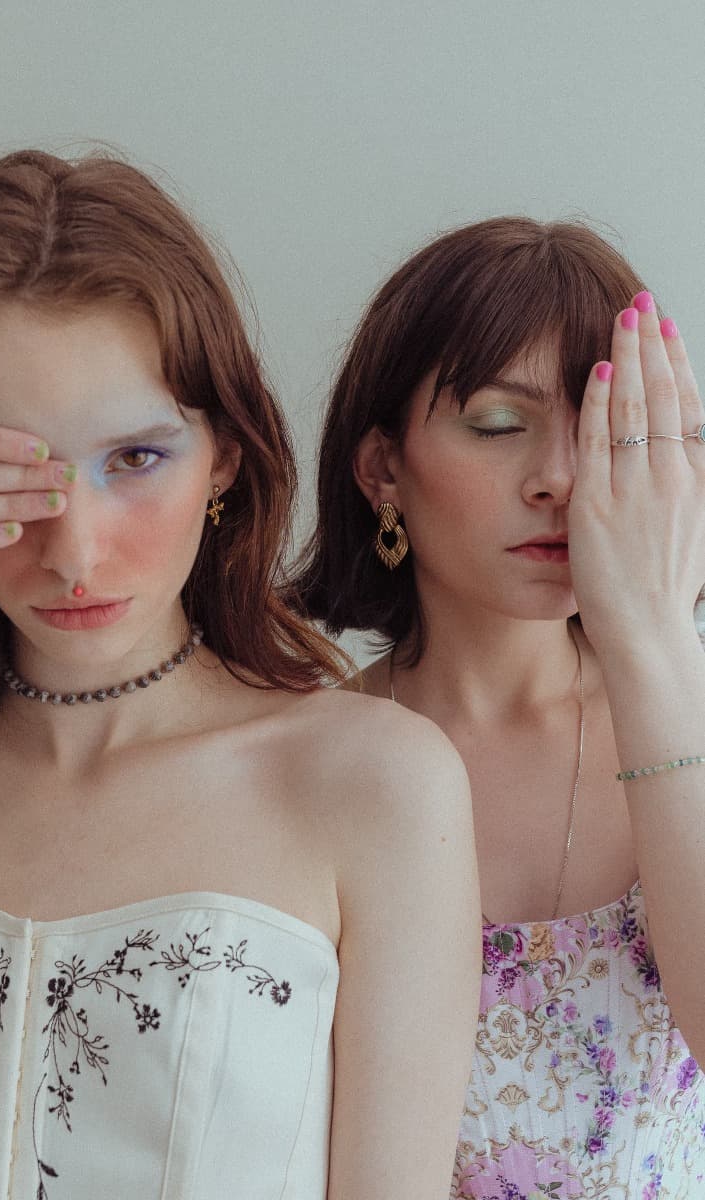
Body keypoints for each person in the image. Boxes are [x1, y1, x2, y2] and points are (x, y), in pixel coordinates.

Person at [0, 151, 480, 1200]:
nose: (73, 551)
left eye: (136, 459)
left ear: (227, 455)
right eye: (6, 468)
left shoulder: (371, 783)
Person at [295, 216, 705, 1197]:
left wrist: (650, 636)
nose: (560, 478)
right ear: (382, 470)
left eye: (602, 427)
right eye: (498, 423)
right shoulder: (311, 762)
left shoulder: (684, 711)